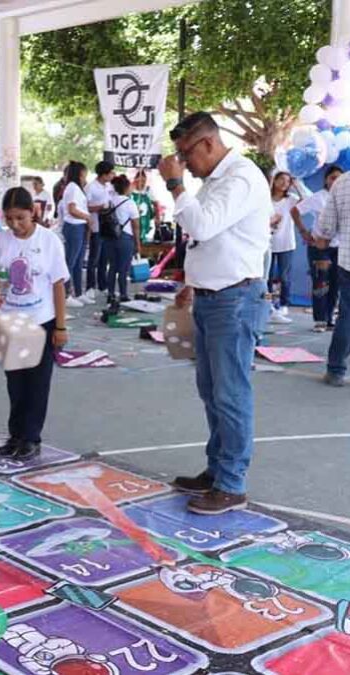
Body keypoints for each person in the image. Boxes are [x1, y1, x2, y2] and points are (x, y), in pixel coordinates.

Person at [157, 111, 269, 515]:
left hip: (234, 300)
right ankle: (218, 469)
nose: (184, 163)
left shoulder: (240, 178)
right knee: (212, 391)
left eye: (186, 154)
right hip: (212, 296)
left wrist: (174, 184)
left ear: (207, 143)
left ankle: (232, 483)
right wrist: (192, 280)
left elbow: (202, 226)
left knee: (231, 393)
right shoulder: (215, 181)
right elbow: (210, 240)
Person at [0, 187, 69, 462]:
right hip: (11, 322)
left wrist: (60, 326)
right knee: (16, 384)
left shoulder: (49, 241)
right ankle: (16, 435)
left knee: (37, 384)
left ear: (33, 212)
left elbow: (58, 285)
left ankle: (31, 437)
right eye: (9, 219)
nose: (15, 225)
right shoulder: (2, 240)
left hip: (40, 322)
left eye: (20, 218)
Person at [292, 165, 343, 332]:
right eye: (332, 177)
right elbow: (295, 210)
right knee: (321, 283)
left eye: (339, 178)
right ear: (326, 180)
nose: (336, 181)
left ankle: (329, 319)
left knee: (335, 284)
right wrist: (303, 232)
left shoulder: (345, 198)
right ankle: (320, 320)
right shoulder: (319, 197)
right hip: (319, 247)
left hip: (339, 248)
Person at [317, 170, 350, 386]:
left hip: (348, 261)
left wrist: (323, 238)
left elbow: (326, 227)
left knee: (347, 317)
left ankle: (336, 369)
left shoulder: (343, 181)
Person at [59, 161, 92, 308]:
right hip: (73, 226)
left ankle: (78, 293)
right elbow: (72, 209)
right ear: (79, 174)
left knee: (78, 263)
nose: (86, 177)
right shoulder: (72, 188)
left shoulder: (77, 188)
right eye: (84, 174)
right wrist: (86, 217)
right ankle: (65, 294)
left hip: (79, 226)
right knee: (70, 262)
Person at [268, 171, 299, 324]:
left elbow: (307, 201)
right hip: (267, 243)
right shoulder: (266, 199)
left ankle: (284, 305)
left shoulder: (291, 200)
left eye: (287, 181)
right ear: (274, 181)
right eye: (281, 179)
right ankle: (267, 305)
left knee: (284, 277)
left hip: (286, 243)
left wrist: (297, 185)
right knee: (266, 277)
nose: (284, 183)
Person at [105, 175, 141, 303]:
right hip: (125, 238)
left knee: (112, 267)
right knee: (123, 268)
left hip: (110, 237)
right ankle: (123, 294)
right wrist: (138, 243)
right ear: (126, 187)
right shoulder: (130, 203)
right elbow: (135, 226)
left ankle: (110, 293)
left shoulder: (110, 201)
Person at [84, 161, 115, 303]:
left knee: (105, 258)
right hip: (95, 226)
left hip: (107, 226)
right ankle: (90, 286)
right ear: (104, 174)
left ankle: (103, 286)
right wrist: (100, 208)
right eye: (111, 173)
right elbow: (85, 207)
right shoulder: (90, 187)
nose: (113, 175)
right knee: (94, 258)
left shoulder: (109, 186)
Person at [131, 170, 156, 243]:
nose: (142, 183)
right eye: (140, 180)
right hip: (133, 219)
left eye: (144, 181)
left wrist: (157, 217)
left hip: (145, 219)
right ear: (135, 180)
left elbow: (155, 203)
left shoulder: (148, 190)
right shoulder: (131, 190)